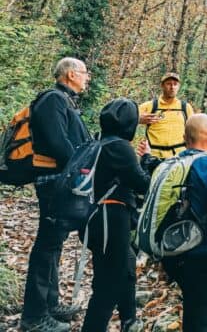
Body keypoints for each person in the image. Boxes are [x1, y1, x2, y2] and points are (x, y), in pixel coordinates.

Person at [141, 114, 207, 332]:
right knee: (200, 321)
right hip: (200, 256)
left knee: (192, 316)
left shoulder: (171, 164)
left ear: (185, 138)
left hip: (171, 254)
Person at [21, 57, 92, 332]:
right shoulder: (52, 99)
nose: (87, 78)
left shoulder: (63, 100)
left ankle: (49, 305)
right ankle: (34, 316)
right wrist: (79, 165)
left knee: (53, 244)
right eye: (84, 73)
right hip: (54, 182)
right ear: (71, 74)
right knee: (47, 246)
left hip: (59, 181)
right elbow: (56, 142)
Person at [81, 99, 150, 332]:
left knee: (127, 265)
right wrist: (148, 161)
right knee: (108, 284)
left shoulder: (98, 142)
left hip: (96, 219)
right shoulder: (119, 147)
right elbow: (142, 184)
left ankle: (129, 320)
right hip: (111, 219)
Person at [138, 72, 194, 159]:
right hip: (153, 157)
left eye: (175, 84)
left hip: (178, 158)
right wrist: (138, 119)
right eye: (169, 84)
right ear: (162, 85)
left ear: (179, 86)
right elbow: (126, 117)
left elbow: (193, 132)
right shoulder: (151, 106)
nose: (172, 87)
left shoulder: (185, 108)